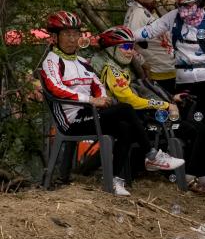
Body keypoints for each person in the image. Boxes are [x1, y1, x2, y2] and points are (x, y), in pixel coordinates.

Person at [40, 13, 183, 195]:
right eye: (67, 34)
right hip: (70, 122)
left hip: (89, 114)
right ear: (55, 37)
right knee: (125, 108)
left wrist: (101, 98)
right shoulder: (51, 61)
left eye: (75, 34)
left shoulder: (82, 62)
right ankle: (152, 155)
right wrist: (91, 100)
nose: (72, 39)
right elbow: (55, 88)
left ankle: (114, 180)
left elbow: (97, 84)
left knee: (125, 126)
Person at [134, 0, 205, 190]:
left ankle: (204, 176)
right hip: (184, 81)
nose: (184, 9)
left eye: (189, 4)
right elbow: (150, 31)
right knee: (188, 127)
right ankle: (188, 174)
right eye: (180, 5)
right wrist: (124, 35)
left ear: (200, 0)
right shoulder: (173, 17)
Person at [90, 26, 185, 177]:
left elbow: (142, 88)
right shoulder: (111, 69)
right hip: (104, 115)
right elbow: (131, 100)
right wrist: (166, 105)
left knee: (128, 127)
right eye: (125, 47)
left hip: (117, 116)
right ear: (110, 49)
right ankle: (152, 157)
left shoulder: (121, 67)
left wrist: (169, 99)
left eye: (132, 47)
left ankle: (116, 179)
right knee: (133, 114)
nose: (130, 51)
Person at [121, 0, 176, 94]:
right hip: (159, 76)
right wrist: (144, 64)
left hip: (170, 71)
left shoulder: (149, 9)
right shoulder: (137, 14)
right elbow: (125, 45)